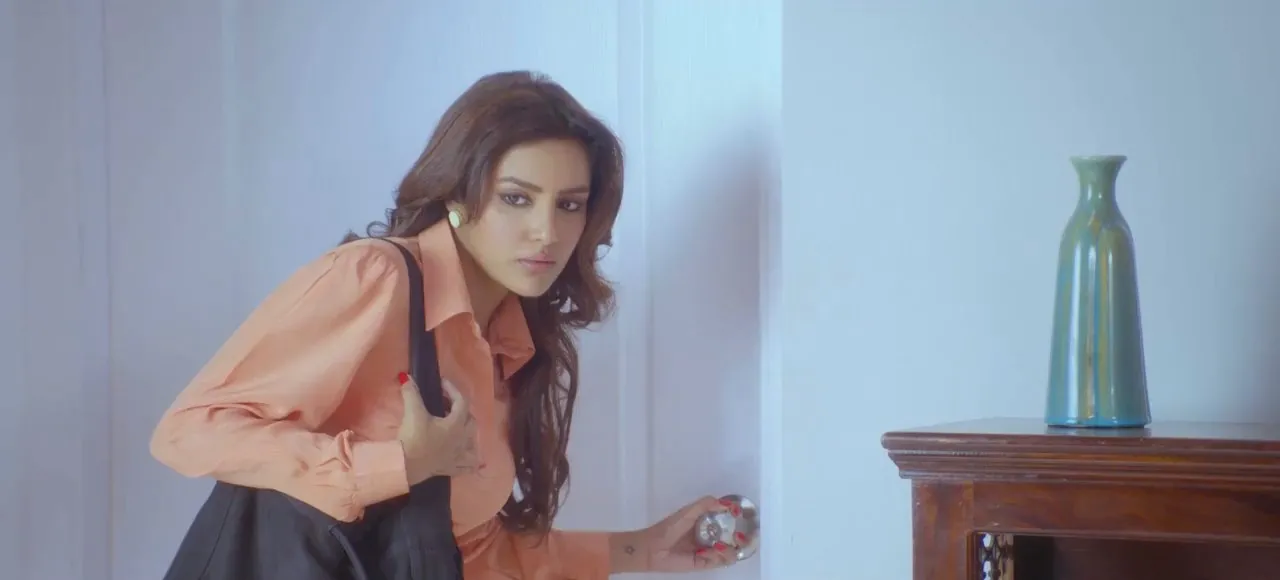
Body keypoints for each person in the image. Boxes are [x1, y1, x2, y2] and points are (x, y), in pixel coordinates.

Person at [149, 70, 746, 578]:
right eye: (516, 198)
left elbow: (468, 551)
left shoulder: (512, 342)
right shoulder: (376, 278)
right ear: (458, 195)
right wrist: (395, 464)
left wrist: (643, 549)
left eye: (569, 205)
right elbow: (189, 429)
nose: (547, 232)